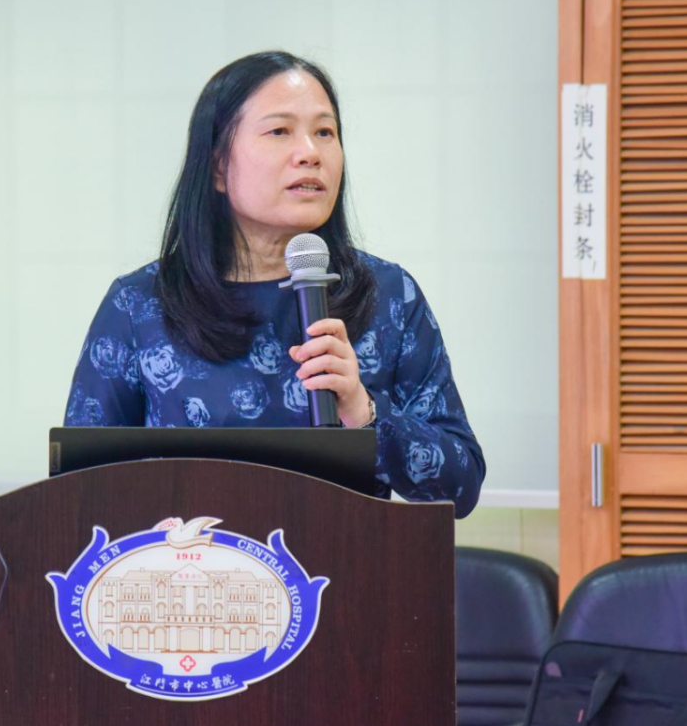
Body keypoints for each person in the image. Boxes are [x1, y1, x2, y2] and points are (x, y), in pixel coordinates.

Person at [65, 51, 485, 518]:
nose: (310, 153)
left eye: (325, 132)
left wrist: (365, 411)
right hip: (194, 562)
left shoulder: (388, 295)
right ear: (218, 167)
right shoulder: (140, 305)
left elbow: (460, 488)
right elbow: (80, 495)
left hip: (348, 562)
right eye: (280, 131)